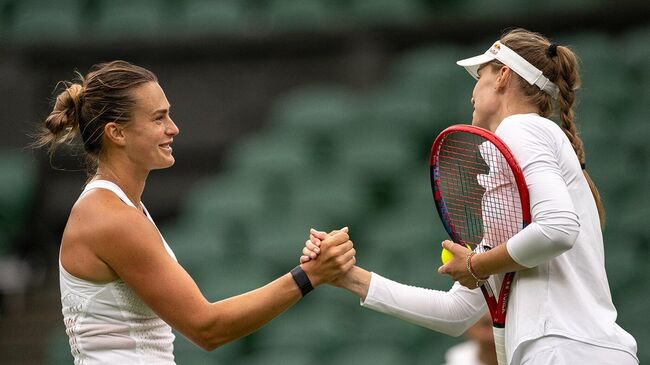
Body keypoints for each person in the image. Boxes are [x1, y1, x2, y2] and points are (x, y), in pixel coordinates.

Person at [301, 29, 638, 364]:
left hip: (565, 349)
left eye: (480, 76)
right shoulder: (522, 162)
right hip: (571, 348)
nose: (472, 92)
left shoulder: (521, 127)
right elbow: (457, 312)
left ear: (503, 76)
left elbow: (558, 228)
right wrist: (346, 277)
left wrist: (475, 264)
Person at [33, 60, 356, 364]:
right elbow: (208, 328)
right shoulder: (112, 219)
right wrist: (309, 276)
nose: (173, 128)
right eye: (158, 118)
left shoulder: (118, 208)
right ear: (117, 133)